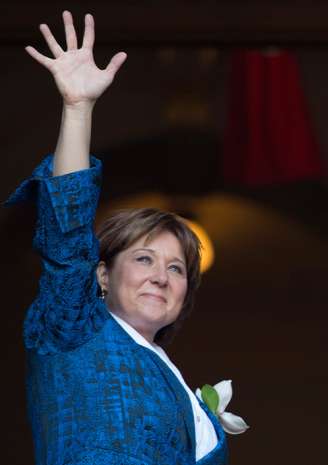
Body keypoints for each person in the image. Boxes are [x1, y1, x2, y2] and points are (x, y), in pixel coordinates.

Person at [7, 11, 242, 464]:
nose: (161, 276)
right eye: (144, 259)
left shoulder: (170, 376)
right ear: (100, 275)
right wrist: (78, 108)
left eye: (176, 269)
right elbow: (68, 229)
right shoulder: (74, 327)